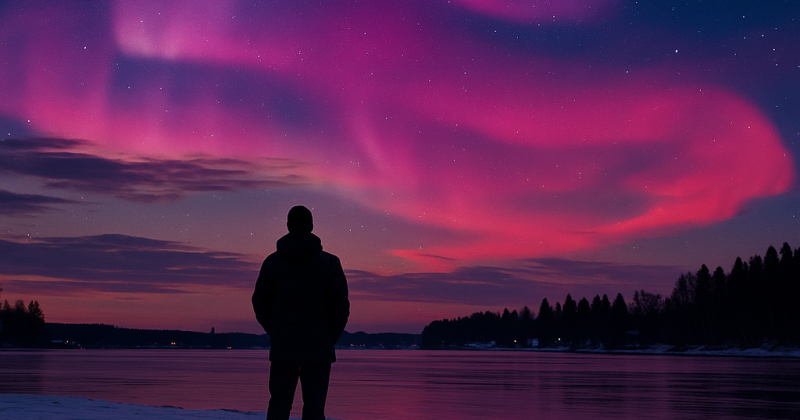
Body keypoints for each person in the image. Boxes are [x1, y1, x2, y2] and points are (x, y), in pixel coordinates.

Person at [252, 205, 350, 420]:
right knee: (314, 410)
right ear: (312, 226)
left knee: (278, 407)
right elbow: (340, 307)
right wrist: (327, 336)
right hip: (317, 348)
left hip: (285, 346)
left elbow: (260, 303)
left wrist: (277, 331)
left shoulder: (272, 263)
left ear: (288, 226)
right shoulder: (329, 263)